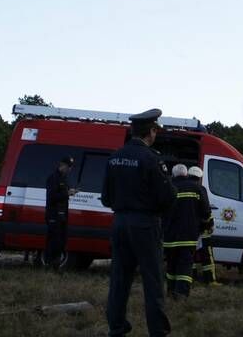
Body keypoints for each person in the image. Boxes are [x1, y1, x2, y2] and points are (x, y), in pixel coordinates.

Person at [102, 109, 177, 337]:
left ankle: (116, 329)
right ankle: (158, 332)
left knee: (119, 279)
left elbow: (106, 198)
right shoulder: (151, 159)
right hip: (145, 224)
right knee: (153, 281)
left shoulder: (114, 157)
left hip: (120, 223)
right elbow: (168, 197)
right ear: (151, 132)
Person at [162, 163, 210, 299]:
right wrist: (203, 226)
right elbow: (206, 212)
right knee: (185, 265)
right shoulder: (197, 188)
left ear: (173, 175)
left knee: (171, 265)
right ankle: (181, 293)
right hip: (188, 236)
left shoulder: (167, 188)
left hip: (169, 236)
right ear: (186, 174)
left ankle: (170, 291)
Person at [44, 155, 76, 270]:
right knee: (53, 240)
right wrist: (67, 194)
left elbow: (62, 195)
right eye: (69, 167)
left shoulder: (64, 178)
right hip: (53, 214)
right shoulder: (53, 178)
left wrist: (70, 192)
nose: (70, 170)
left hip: (62, 215)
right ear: (62, 165)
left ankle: (56, 265)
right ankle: (49, 264)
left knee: (62, 241)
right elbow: (52, 196)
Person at [188, 166, 218, 285]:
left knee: (191, 256)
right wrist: (210, 224)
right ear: (199, 177)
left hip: (189, 229)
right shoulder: (201, 189)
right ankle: (210, 280)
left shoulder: (183, 188)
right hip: (202, 229)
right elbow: (206, 209)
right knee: (207, 256)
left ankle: (191, 279)